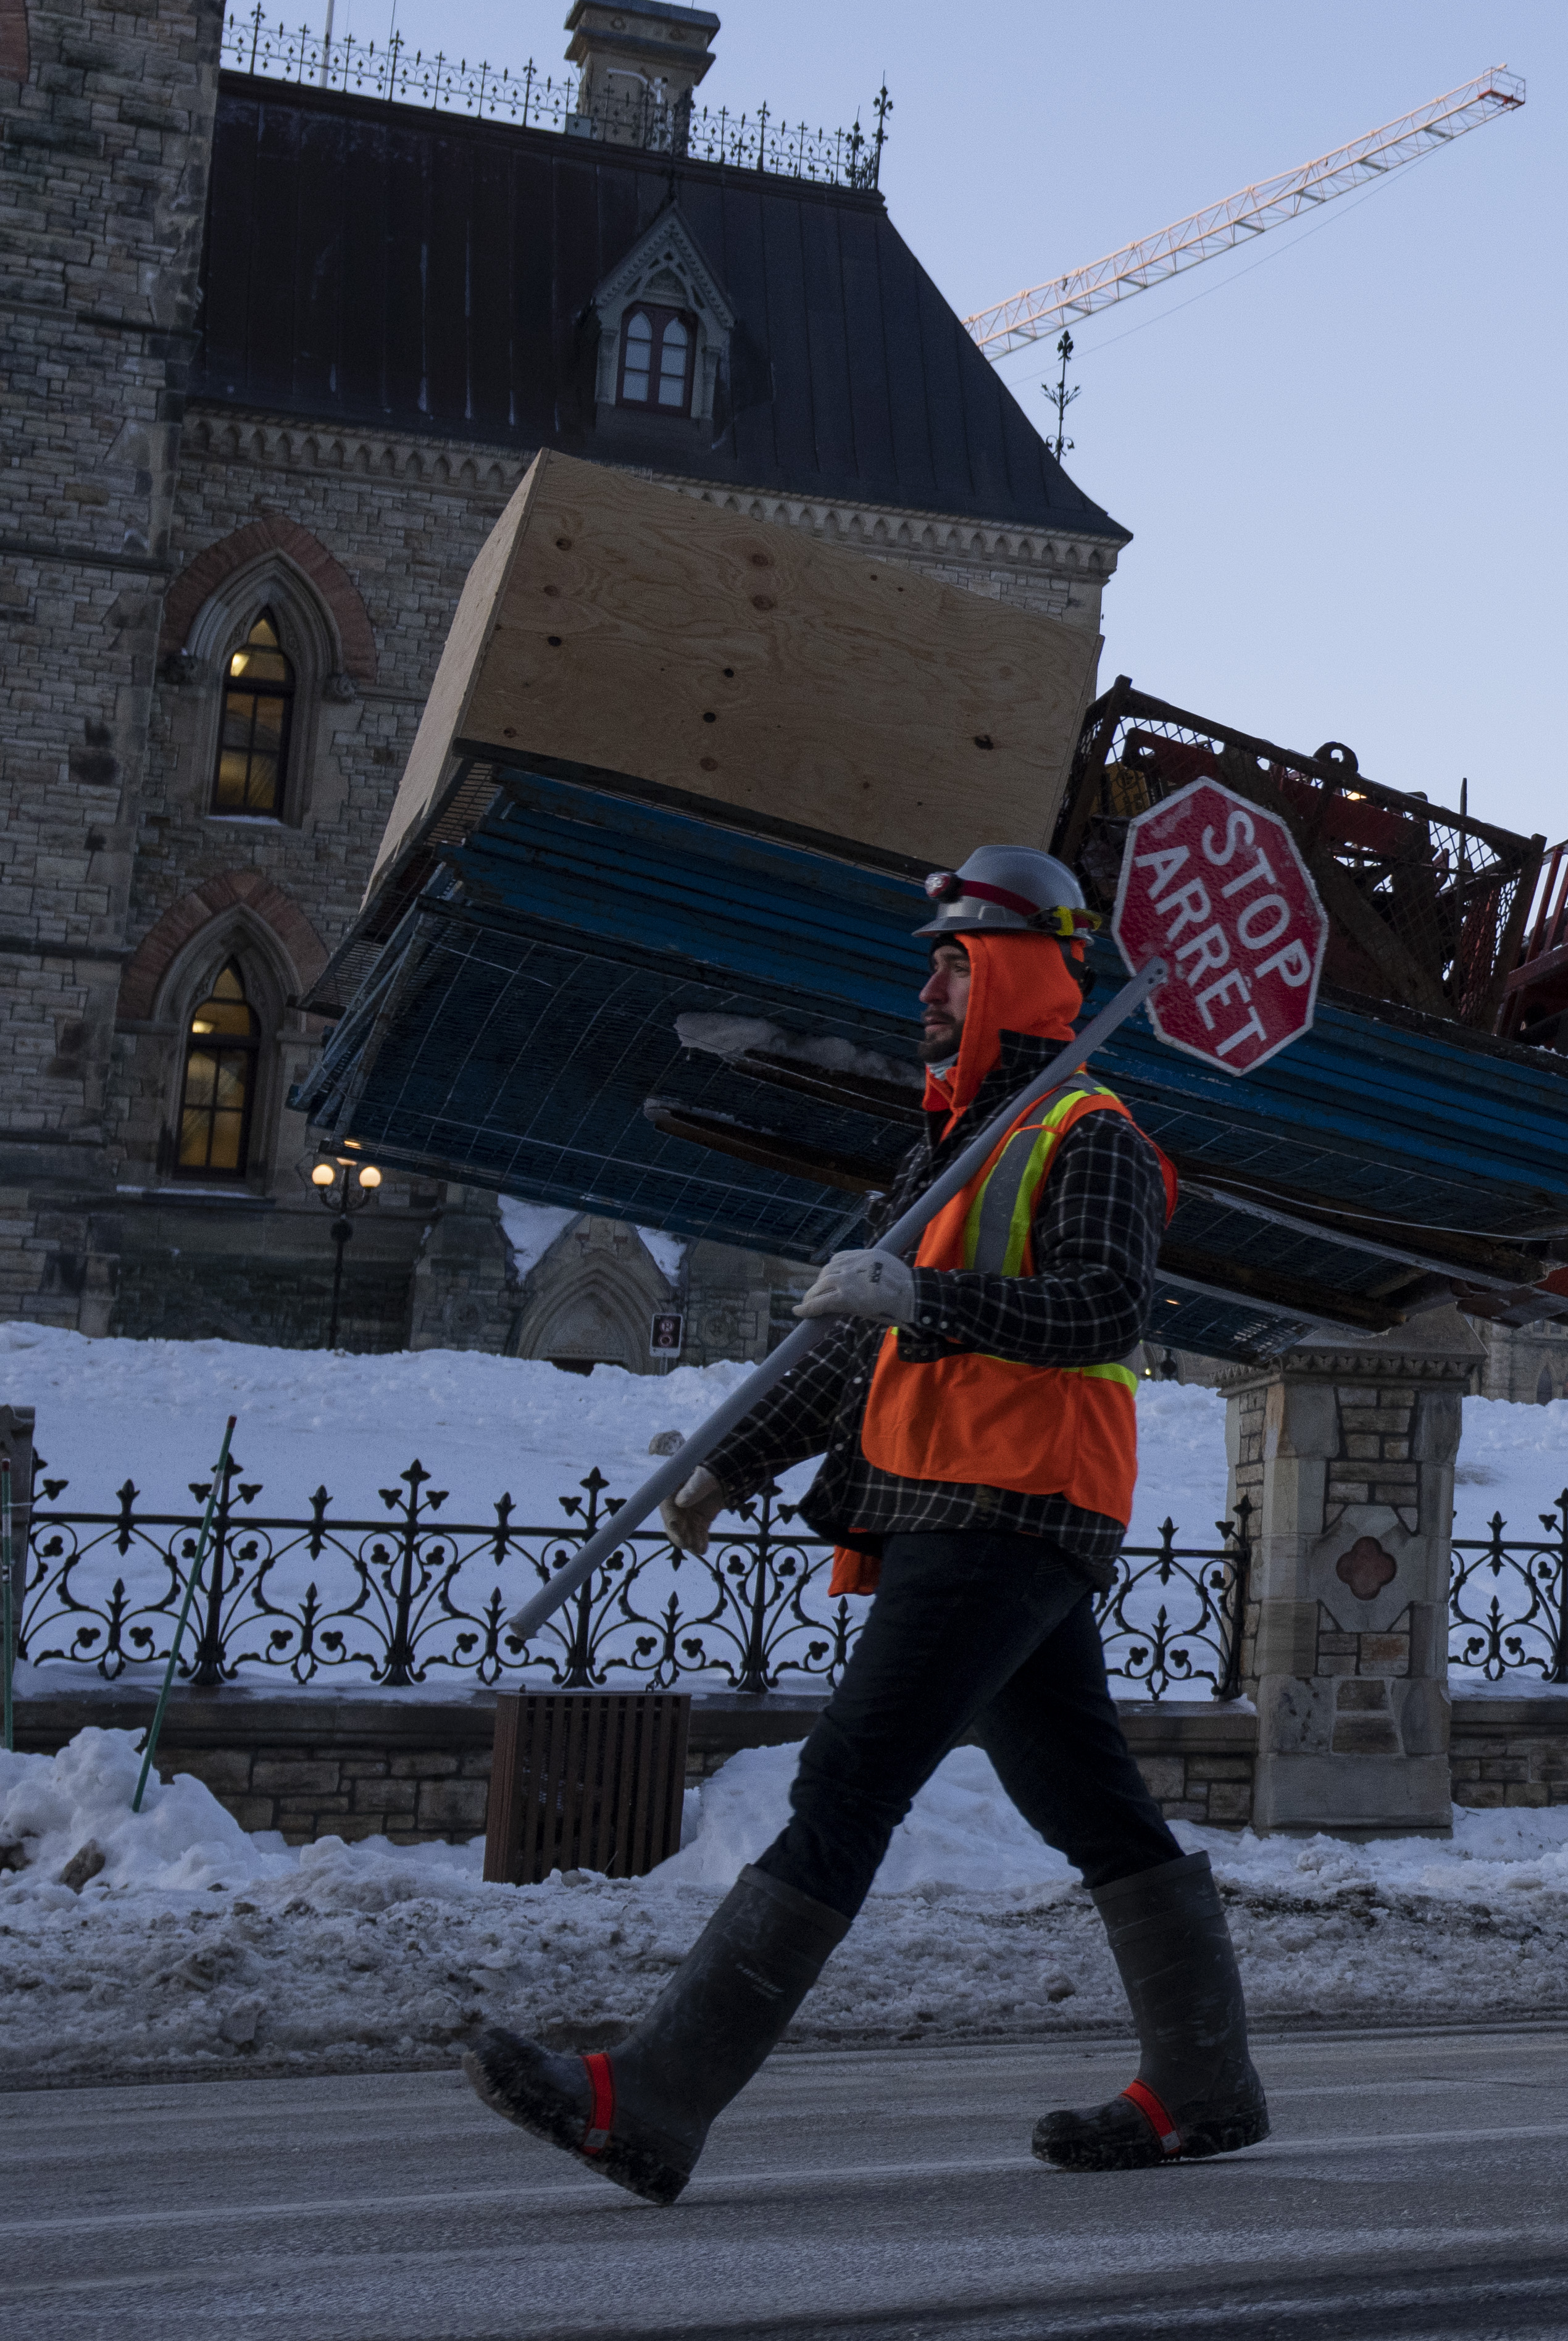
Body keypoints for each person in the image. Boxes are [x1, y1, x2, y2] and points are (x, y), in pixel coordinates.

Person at [461, 846, 1267, 2205]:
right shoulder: (946, 1152)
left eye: (949, 964)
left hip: (1011, 1505)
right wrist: (733, 1462)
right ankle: (1202, 2082)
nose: (925, 988)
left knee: (845, 1786)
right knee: (1094, 1807)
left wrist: (929, 1305)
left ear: (1009, 970)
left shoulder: (1095, 1136)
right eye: (929, 963)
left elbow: (1103, 1312)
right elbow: (850, 1351)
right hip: (953, 1503)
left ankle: (650, 2098)